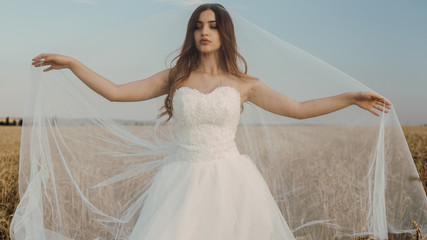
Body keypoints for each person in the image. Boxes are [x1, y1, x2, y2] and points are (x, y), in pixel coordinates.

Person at [21, 3, 400, 240]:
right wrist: (73, 64)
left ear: (224, 33)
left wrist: (350, 97)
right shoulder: (176, 77)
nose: (204, 31)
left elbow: (298, 108)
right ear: (192, 33)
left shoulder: (244, 85)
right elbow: (116, 92)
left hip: (233, 183)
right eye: (199, 25)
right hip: (179, 183)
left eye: (213, 25)